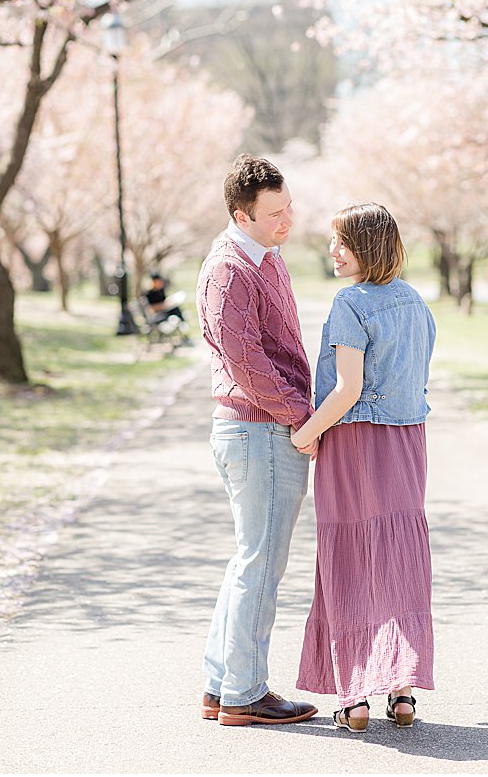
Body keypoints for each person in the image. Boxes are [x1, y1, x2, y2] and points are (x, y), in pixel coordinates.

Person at [293, 202, 437, 733]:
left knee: (351, 559)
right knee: (401, 557)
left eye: (342, 242)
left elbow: (347, 389)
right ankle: (402, 692)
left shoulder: (350, 303)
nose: (333, 251)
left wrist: (306, 433)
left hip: (355, 446)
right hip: (408, 444)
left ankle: (355, 697)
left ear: (367, 246)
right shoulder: (417, 303)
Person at [197, 154, 318, 727]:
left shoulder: (266, 258)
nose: (286, 220)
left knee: (251, 559)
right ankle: (245, 693)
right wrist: (301, 417)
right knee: (261, 564)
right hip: (259, 429)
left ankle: (222, 686)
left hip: (265, 428)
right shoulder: (228, 270)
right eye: (274, 213)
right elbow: (246, 361)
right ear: (241, 215)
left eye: (288, 206)